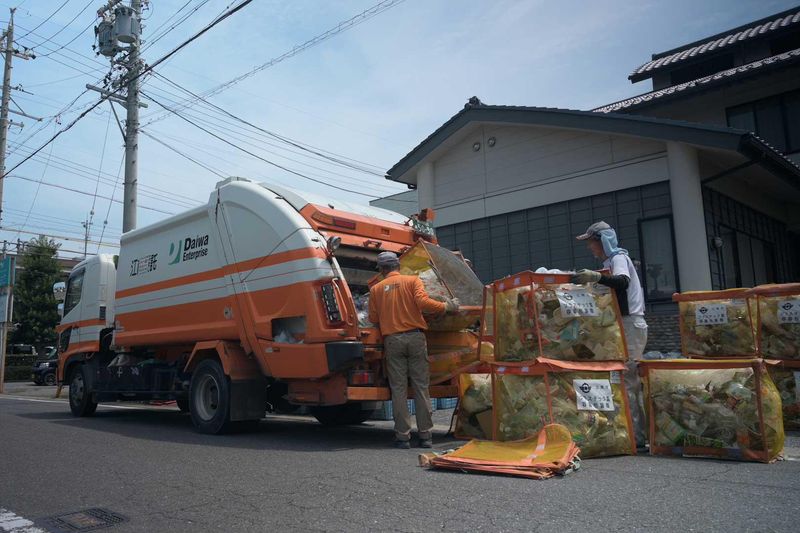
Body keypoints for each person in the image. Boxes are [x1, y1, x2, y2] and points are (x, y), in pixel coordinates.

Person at [368, 251, 459, 449]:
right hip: (416, 337)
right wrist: (446, 307)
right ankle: (425, 436)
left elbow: (373, 319)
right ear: (397, 266)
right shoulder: (412, 281)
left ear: (382, 270)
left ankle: (403, 437)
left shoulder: (376, 289)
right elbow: (423, 303)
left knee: (398, 389)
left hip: (392, 341)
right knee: (420, 387)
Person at [572, 221, 648, 447]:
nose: (590, 248)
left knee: (628, 379)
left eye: (591, 243)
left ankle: (637, 436)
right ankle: (628, 432)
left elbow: (622, 282)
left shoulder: (618, 259)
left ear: (602, 241)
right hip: (620, 324)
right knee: (622, 379)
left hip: (630, 323)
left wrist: (595, 277)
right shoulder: (609, 262)